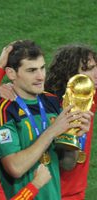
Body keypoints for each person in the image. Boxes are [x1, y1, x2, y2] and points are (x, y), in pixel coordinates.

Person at [0, 40, 92, 200]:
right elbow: (15, 167)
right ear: (11, 73)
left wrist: (74, 137)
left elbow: (67, 164)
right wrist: (52, 131)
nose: (40, 76)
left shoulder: (52, 102)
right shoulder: (3, 110)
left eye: (42, 68)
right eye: (31, 70)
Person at [45, 44, 97, 200]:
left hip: (76, 193)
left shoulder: (89, 98)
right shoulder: (48, 106)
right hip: (52, 193)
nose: (95, 74)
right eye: (87, 69)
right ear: (70, 75)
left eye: (95, 67)